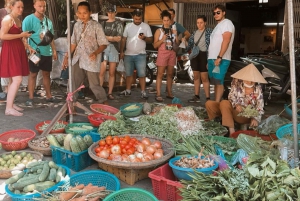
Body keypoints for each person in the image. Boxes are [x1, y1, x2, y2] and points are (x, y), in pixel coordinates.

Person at [62, 1, 109, 104]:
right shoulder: (76, 25)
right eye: (80, 13)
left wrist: (96, 53)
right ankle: (71, 105)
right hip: (78, 58)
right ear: (77, 13)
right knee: (73, 83)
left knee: (94, 85)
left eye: (85, 13)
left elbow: (104, 44)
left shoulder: (96, 26)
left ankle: (104, 103)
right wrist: (66, 57)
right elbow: (73, 43)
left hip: (91, 59)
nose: (82, 15)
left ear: (90, 12)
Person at [205, 63, 267, 135]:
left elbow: (260, 107)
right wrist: (237, 105)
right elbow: (231, 97)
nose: (249, 82)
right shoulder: (237, 82)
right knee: (209, 104)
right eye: (247, 79)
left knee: (224, 102)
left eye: (252, 80)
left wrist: (255, 118)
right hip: (231, 109)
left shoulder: (258, 88)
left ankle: (231, 131)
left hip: (243, 115)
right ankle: (217, 127)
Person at [22, 0, 57, 106]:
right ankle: (31, 98)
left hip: (47, 51)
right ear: (34, 6)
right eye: (40, 6)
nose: (42, 8)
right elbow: (23, 37)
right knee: (33, 74)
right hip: (34, 52)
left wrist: (54, 50)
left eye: (44, 6)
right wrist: (28, 48)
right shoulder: (28, 19)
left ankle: (49, 96)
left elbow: (51, 38)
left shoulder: (48, 21)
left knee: (46, 74)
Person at [0, 0, 32, 116]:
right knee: (17, 79)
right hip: (10, 50)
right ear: (11, 6)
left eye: (22, 7)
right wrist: (21, 35)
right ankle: (8, 108)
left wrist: (28, 46)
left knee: (12, 80)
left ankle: (11, 103)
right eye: (18, 7)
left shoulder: (18, 19)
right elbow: (2, 35)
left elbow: (19, 38)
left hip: (17, 49)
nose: (21, 9)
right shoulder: (8, 19)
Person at [119, 9, 153, 99]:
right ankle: (128, 90)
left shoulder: (146, 26)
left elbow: (151, 40)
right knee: (129, 74)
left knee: (142, 74)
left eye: (139, 19)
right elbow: (123, 39)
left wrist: (144, 38)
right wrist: (121, 51)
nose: (138, 21)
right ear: (133, 17)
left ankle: (143, 92)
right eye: (136, 19)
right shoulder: (128, 26)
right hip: (128, 54)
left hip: (141, 54)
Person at [207, 4, 235, 102]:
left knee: (219, 82)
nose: (216, 14)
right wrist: (209, 59)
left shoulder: (227, 23)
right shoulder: (218, 26)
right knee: (215, 82)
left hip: (221, 58)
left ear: (224, 12)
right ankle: (216, 103)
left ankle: (217, 105)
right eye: (214, 13)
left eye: (218, 12)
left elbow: (226, 41)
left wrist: (219, 57)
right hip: (213, 58)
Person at [153, 10, 179, 102]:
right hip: (163, 52)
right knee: (160, 74)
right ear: (162, 21)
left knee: (170, 74)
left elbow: (177, 44)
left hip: (172, 53)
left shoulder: (173, 30)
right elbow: (155, 45)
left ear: (170, 20)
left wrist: (176, 36)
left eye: (168, 20)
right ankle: (158, 93)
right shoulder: (159, 31)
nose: (166, 22)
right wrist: (163, 39)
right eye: (165, 20)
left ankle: (169, 92)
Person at [186, 15, 212, 103]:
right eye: (198, 23)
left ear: (205, 23)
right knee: (196, 77)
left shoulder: (209, 32)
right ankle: (196, 96)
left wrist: (210, 59)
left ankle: (208, 98)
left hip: (204, 55)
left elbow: (212, 46)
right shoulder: (194, 33)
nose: (199, 24)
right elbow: (189, 45)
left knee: (204, 77)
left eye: (201, 22)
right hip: (195, 56)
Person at [99, 6, 123, 100]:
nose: (110, 14)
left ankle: (110, 92)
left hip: (114, 49)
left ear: (115, 12)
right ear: (107, 13)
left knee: (112, 72)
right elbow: (101, 37)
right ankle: (100, 92)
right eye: (109, 12)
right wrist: (112, 38)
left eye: (112, 12)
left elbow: (119, 38)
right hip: (104, 48)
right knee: (102, 71)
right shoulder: (103, 23)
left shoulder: (118, 23)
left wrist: (107, 37)